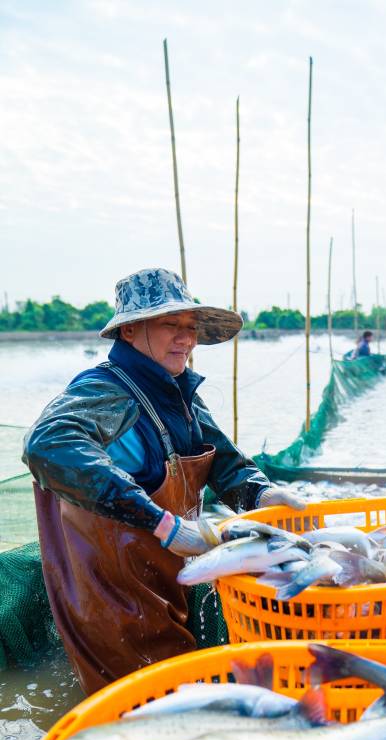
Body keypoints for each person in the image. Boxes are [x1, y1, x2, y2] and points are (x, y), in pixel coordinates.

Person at [23, 268, 305, 693]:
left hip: (168, 579)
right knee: (140, 709)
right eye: (171, 325)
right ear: (131, 331)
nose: (186, 339)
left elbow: (224, 459)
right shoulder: (104, 392)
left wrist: (260, 490)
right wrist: (162, 522)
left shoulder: (177, 391)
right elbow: (46, 442)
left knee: (185, 696)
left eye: (191, 328)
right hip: (112, 599)